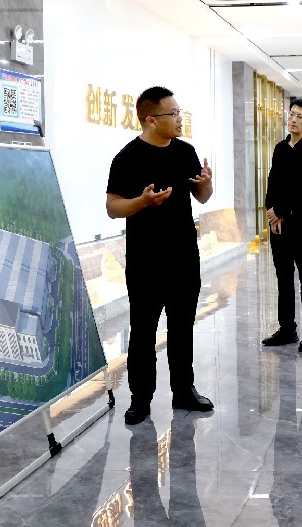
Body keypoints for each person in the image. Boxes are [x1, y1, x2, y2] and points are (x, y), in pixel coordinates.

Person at [106, 86, 214, 426]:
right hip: (146, 260)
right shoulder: (127, 157)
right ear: (151, 119)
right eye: (174, 114)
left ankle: (184, 390)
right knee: (143, 331)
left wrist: (206, 184)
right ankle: (141, 399)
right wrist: (142, 202)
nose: (180, 119)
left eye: (180, 113)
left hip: (184, 256)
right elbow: (112, 207)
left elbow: (202, 197)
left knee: (182, 327)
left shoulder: (185, 151)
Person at [262, 98, 302, 352]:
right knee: (284, 277)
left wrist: (281, 212)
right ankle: (287, 329)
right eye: (291, 114)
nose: (293, 119)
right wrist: (271, 212)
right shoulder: (280, 148)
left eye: (299, 116)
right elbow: (273, 181)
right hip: (279, 224)